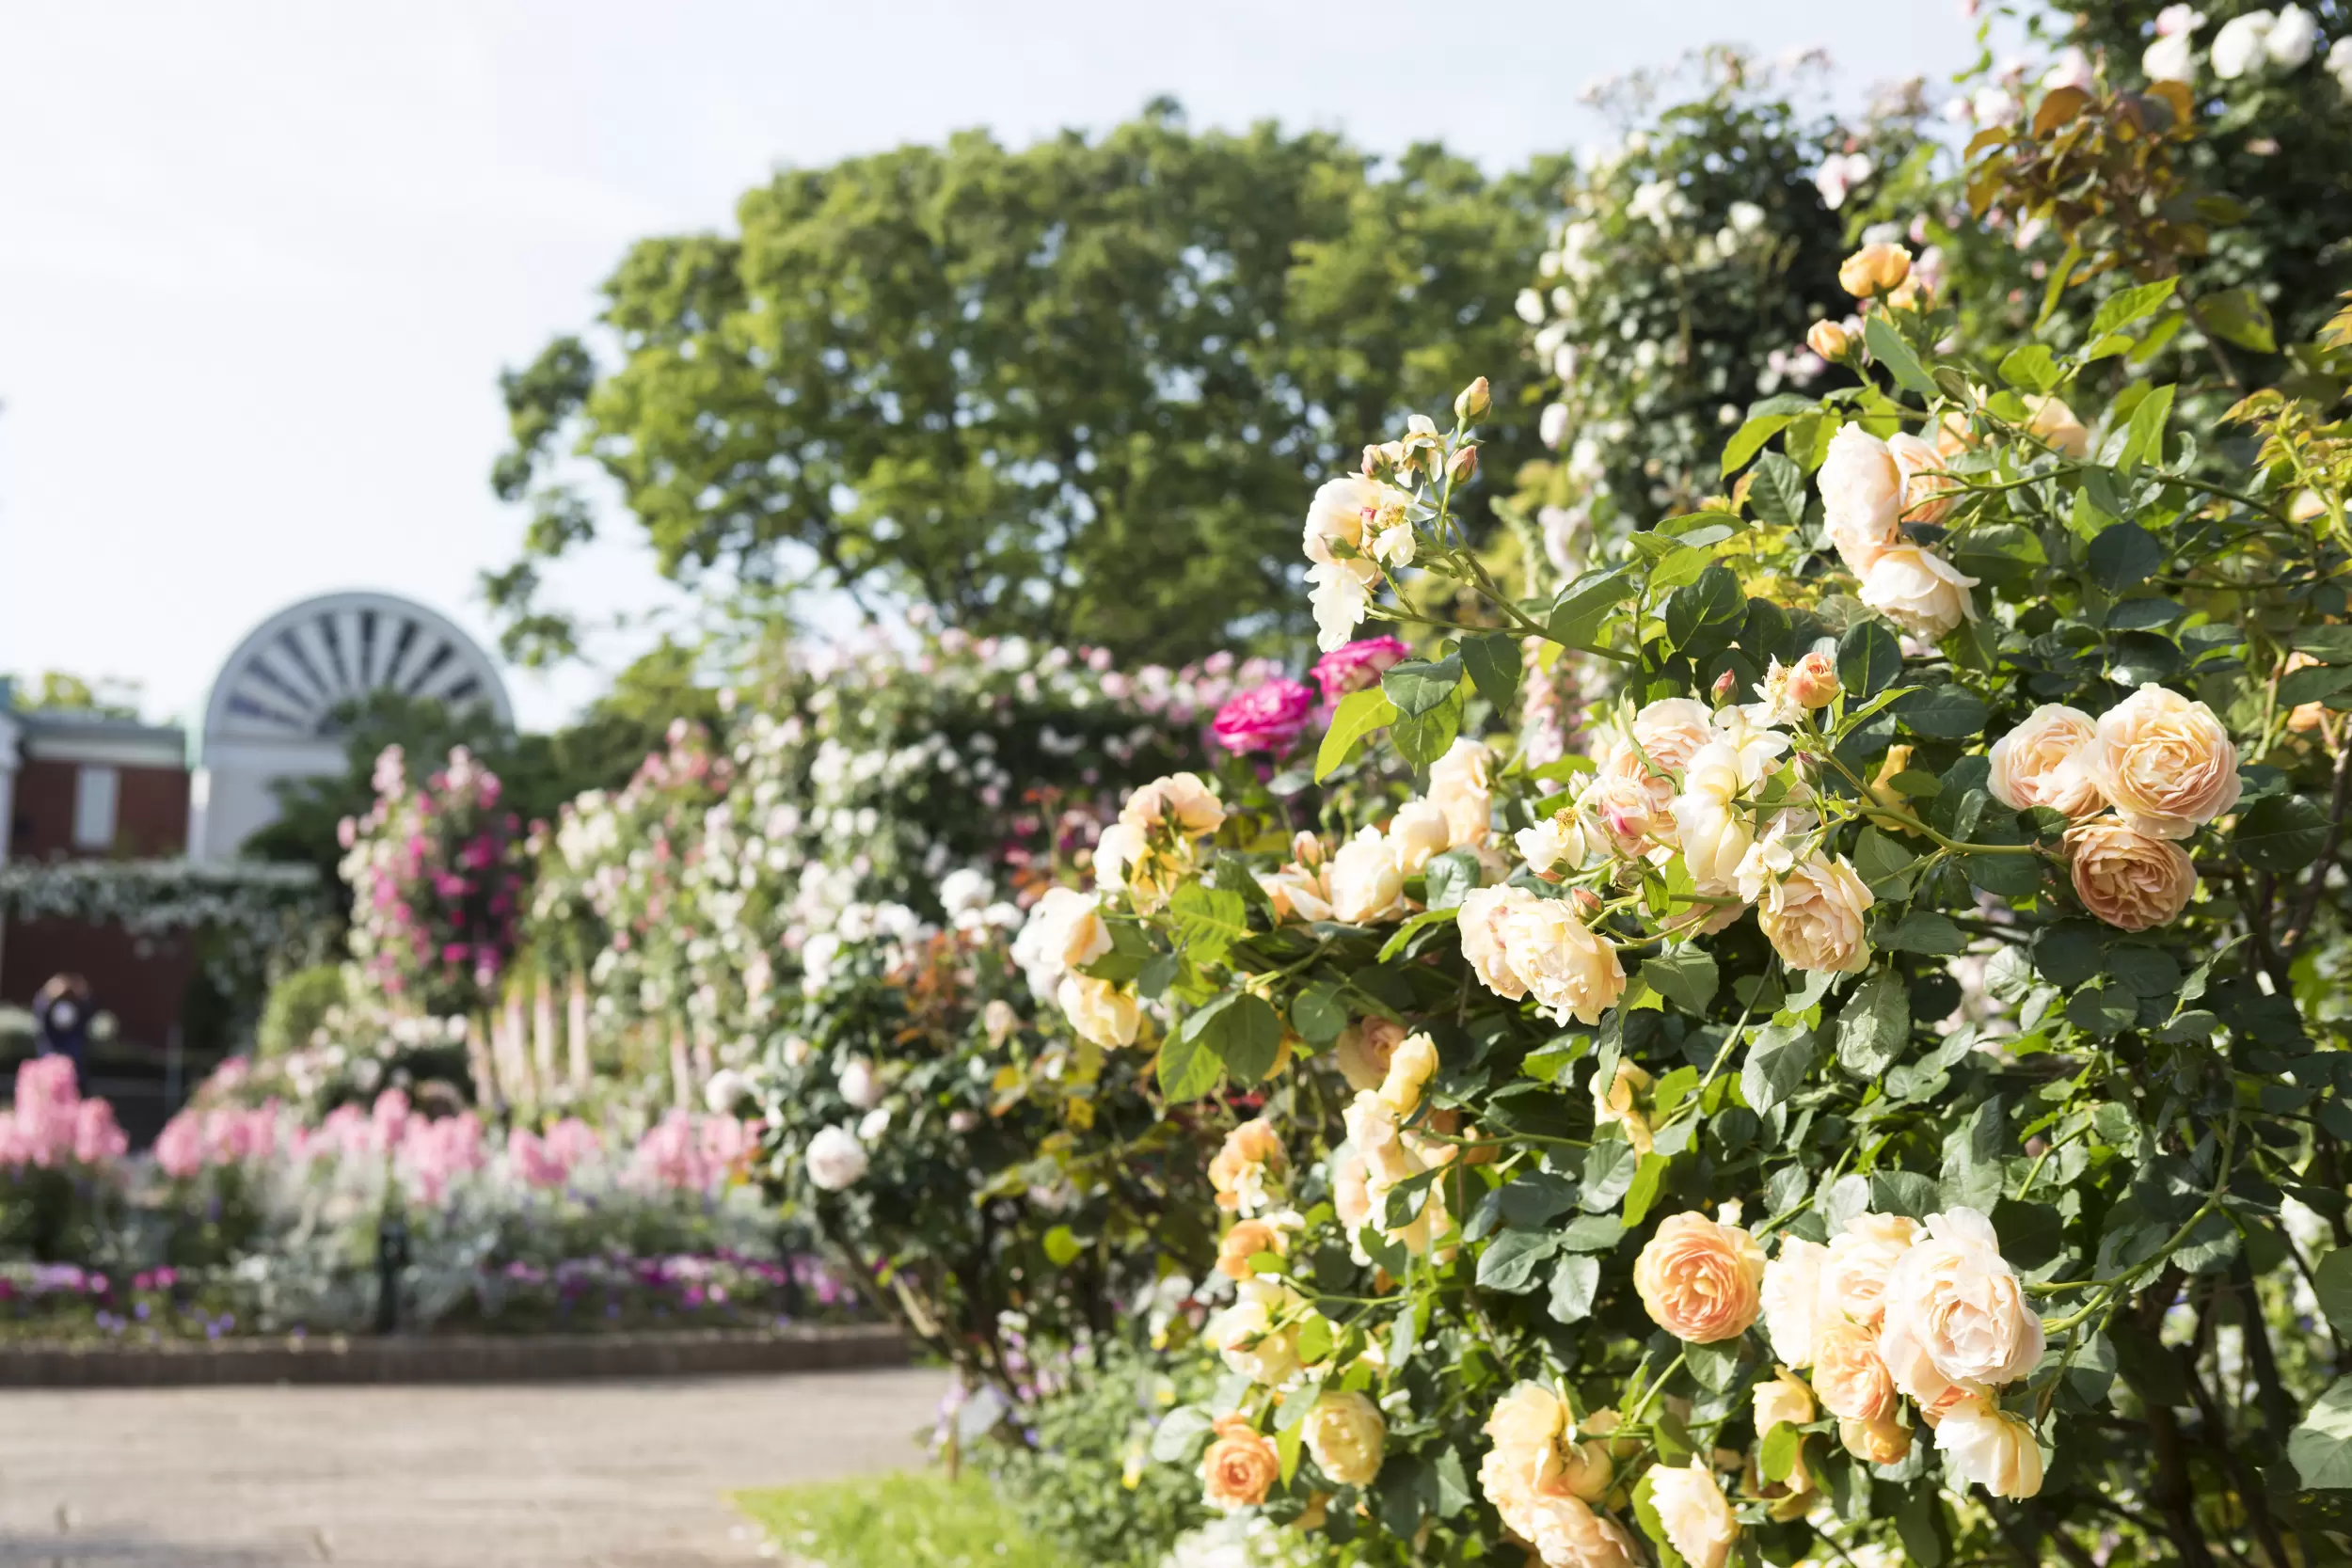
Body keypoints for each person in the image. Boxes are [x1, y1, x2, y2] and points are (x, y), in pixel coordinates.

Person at [31, 974, 93, 1086]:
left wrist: (81, 992)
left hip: (75, 1075)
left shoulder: (78, 1019)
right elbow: (40, 1008)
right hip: (48, 1073)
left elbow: (88, 1008)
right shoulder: (47, 1021)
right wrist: (50, 992)